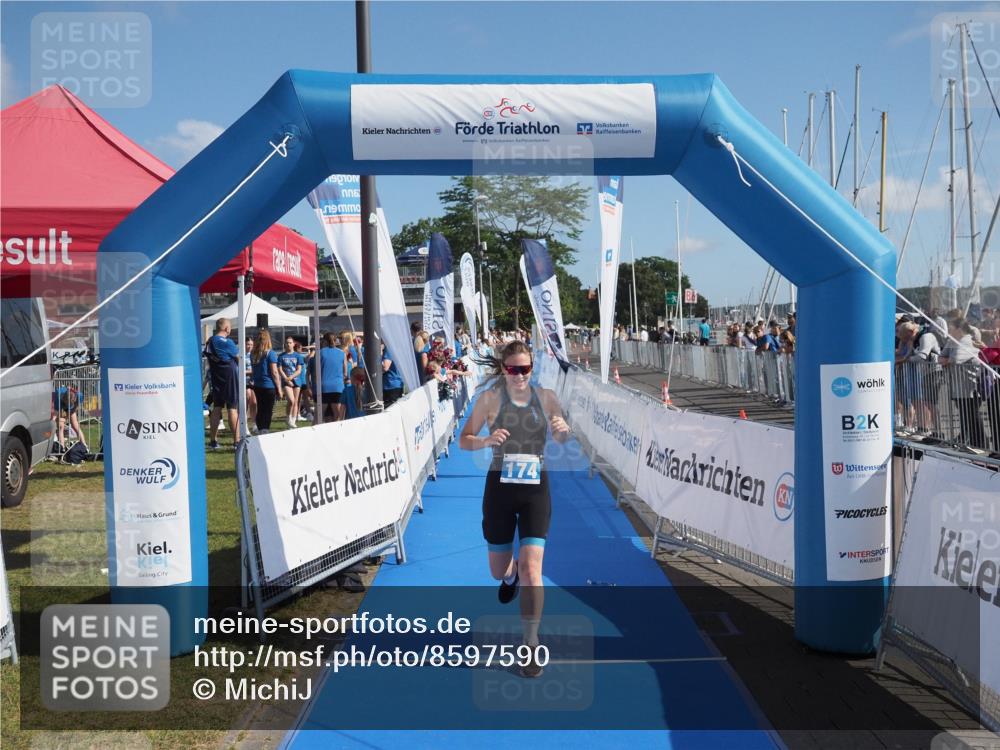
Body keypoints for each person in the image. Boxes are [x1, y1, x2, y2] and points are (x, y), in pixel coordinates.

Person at [459, 340, 571, 679]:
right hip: (500, 491)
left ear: (532, 368)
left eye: (525, 369)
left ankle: (531, 643)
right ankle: (509, 575)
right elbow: (465, 438)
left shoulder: (547, 397)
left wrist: (564, 431)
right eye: (513, 369)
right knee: (499, 570)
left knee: (533, 569)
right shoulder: (490, 399)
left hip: (536, 489)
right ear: (503, 369)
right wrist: (484, 441)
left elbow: (562, 435)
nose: (519, 375)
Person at [940, 317, 986, 449]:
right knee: (965, 415)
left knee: (973, 415)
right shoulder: (954, 341)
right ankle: (971, 443)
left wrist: (947, 360)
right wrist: (947, 360)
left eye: (951, 328)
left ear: (959, 329)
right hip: (959, 386)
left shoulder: (967, 341)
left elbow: (956, 359)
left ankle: (979, 444)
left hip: (971, 386)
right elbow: (941, 357)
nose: (948, 330)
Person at [204, 318, 240, 449]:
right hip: (229, 376)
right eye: (230, 327)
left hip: (216, 377)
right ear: (226, 328)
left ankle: (213, 441)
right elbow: (238, 358)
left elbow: (207, 355)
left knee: (217, 407)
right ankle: (236, 442)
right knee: (232, 408)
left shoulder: (210, 341)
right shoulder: (228, 342)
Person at [251, 330, 281, 434]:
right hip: (268, 385)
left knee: (260, 408)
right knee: (268, 410)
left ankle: (260, 429)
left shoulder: (253, 354)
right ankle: (265, 429)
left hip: (258, 385)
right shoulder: (270, 353)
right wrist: (279, 388)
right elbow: (274, 372)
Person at [317, 332, 348, 421]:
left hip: (323, 386)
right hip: (337, 386)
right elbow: (345, 373)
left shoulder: (320, 353)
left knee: (320, 415)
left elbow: (316, 371)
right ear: (336, 340)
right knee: (337, 415)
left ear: (325, 341)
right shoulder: (342, 353)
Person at [277, 336, 303, 428]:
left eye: (290, 342)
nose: (288, 344)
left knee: (295, 401)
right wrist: (287, 380)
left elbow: (299, 370)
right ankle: (288, 418)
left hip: (296, 381)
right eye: (287, 343)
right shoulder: (281, 356)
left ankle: (293, 420)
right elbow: (280, 370)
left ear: (293, 344)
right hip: (286, 381)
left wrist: (291, 377)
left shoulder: (298, 356)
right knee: (291, 401)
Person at [52, 382, 85, 454]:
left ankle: (84, 446)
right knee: (60, 426)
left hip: (72, 406)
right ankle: (62, 448)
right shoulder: (59, 394)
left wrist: (68, 414)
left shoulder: (79, 395)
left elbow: (77, 407)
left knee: (74, 424)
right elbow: (56, 411)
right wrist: (52, 421)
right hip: (61, 405)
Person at [244, 338, 257, 434]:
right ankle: (244, 426)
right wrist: (248, 372)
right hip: (244, 382)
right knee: (246, 402)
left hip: (253, 382)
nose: (249, 346)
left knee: (254, 403)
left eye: (251, 344)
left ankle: (254, 424)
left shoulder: (254, 355)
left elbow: (256, 369)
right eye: (248, 344)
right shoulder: (241, 355)